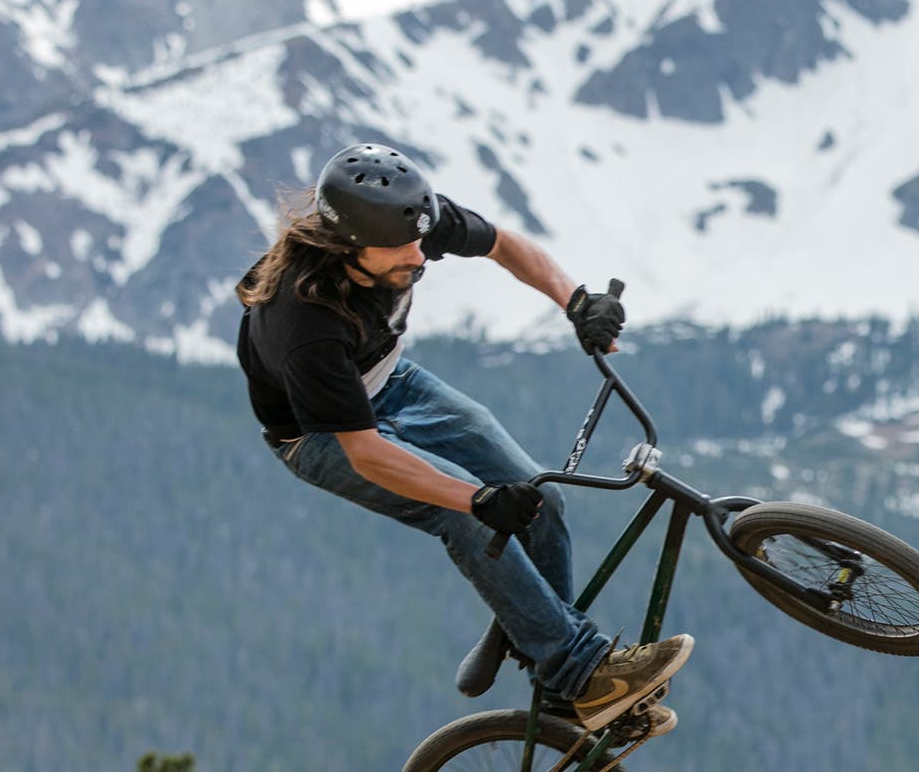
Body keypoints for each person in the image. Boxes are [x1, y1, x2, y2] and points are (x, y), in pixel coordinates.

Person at [234, 143, 690, 729]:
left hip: (390, 380)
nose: (419, 256)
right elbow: (367, 453)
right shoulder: (305, 320)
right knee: (468, 515)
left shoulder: (406, 220)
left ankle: (556, 676)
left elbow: (504, 244)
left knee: (539, 495)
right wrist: (475, 497)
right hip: (321, 435)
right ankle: (578, 669)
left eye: (422, 239)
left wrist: (576, 301)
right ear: (349, 246)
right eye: (401, 250)